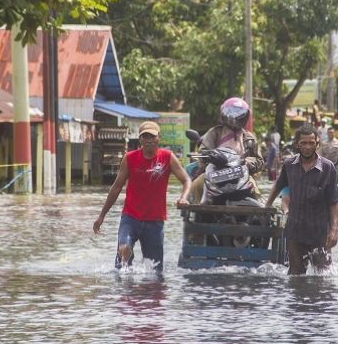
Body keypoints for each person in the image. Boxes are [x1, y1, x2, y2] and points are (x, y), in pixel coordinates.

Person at [93, 121, 191, 272]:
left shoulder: (167, 157)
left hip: (155, 221)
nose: (149, 140)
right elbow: (116, 187)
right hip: (130, 218)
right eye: (145, 136)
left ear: (159, 138)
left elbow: (186, 180)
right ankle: (125, 286)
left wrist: (184, 197)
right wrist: (101, 216)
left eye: (152, 136)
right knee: (124, 252)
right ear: (140, 140)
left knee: (155, 270)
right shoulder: (130, 158)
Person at [265, 125, 338, 275]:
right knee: (295, 275)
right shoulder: (289, 165)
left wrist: (334, 230)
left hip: (319, 231)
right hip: (295, 231)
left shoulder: (328, 168)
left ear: (317, 144)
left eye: (311, 143)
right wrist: (266, 206)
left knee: (323, 276)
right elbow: (278, 186)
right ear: (297, 144)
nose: (307, 147)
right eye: (303, 143)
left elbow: (334, 201)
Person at [190, 97, 265, 202]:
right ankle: (196, 212)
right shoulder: (214, 133)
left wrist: (247, 163)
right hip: (214, 173)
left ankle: (261, 214)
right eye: (231, 114)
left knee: (256, 192)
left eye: (239, 115)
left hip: (242, 174)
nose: (234, 118)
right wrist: (212, 158)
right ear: (223, 114)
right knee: (197, 185)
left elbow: (260, 161)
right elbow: (203, 152)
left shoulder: (249, 138)